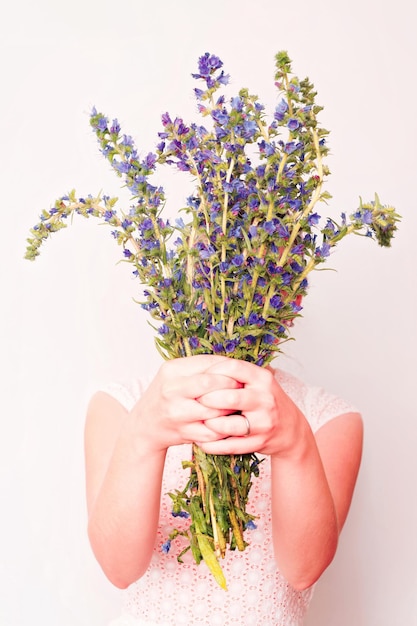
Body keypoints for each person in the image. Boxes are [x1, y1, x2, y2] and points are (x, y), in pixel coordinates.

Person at [84, 355, 363, 626]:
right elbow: (118, 569)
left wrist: (296, 443)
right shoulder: (124, 403)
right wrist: (142, 435)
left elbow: (304, 571)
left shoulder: (327, 416)